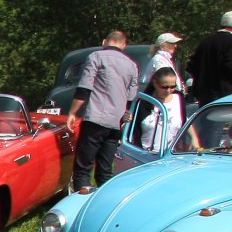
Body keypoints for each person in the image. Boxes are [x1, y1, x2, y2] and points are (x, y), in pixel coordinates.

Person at [67, 30, 140, 189]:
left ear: (104, 42)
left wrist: (72, 112)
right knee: (105, 171)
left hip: (96, 118)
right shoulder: (132, 65)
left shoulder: (96, 57)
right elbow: (131, 97)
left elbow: (85, 88)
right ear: (124, 45)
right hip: (116, 123)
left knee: (83, 169)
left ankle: (81, 199)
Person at [187, 12, 232, 109]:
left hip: (204, 96)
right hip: (225, 96)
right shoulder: (230, 41)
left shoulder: (205, 42)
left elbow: (191, 66)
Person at [136, 67, 187, 153]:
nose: (168, 90)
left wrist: (194, 139)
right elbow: (133, 129)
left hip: (170, 155)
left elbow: (184, 122)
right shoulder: (143, 102)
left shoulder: (179, 98)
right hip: (144, 154)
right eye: (164, 87)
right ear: (155, 83)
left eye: (172, 86)